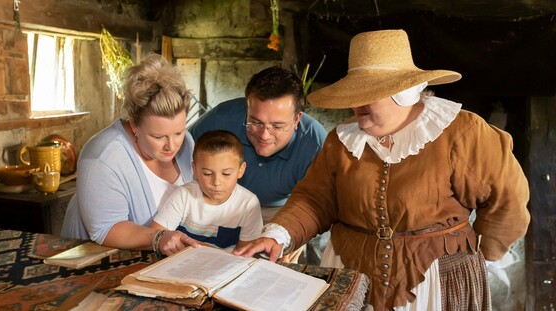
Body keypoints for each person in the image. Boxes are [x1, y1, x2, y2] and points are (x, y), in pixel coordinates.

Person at [234, 29, 530, 311]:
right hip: (352, 275)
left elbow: (508, 200)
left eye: (368, 93)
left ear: (402, 91)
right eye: (354, 93)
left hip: (433, 282)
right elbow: (314, 199)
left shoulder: (462, 133)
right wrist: (278, 235)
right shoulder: (342, 141)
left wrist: (484, 255)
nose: (356, 104)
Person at [61, 53, 200, 257]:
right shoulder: (103, 157)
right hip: (97, 264)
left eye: (178, 132)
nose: (172, 145)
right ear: (134, 125)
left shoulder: (186, 142)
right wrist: (158, 237)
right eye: (158, 136)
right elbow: (106, 229)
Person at [188, 66, 328, 262]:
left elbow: (317, 203)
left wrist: (293, 235)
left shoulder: (315, 142)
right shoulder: (220, 119)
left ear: (297, 120)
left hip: (282, 211)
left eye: (277, 126)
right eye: (255, 122)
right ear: (247, 108)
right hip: (226, 202)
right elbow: (183, 157)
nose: (264, 135)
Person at [150, 130, 263, 251]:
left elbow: (245, 253)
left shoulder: (249, 204)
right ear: (195, 170)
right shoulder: (183, 195)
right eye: (207, 173)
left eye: (226, 174)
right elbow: (155, 235)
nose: (216, 182)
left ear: (241, 170)